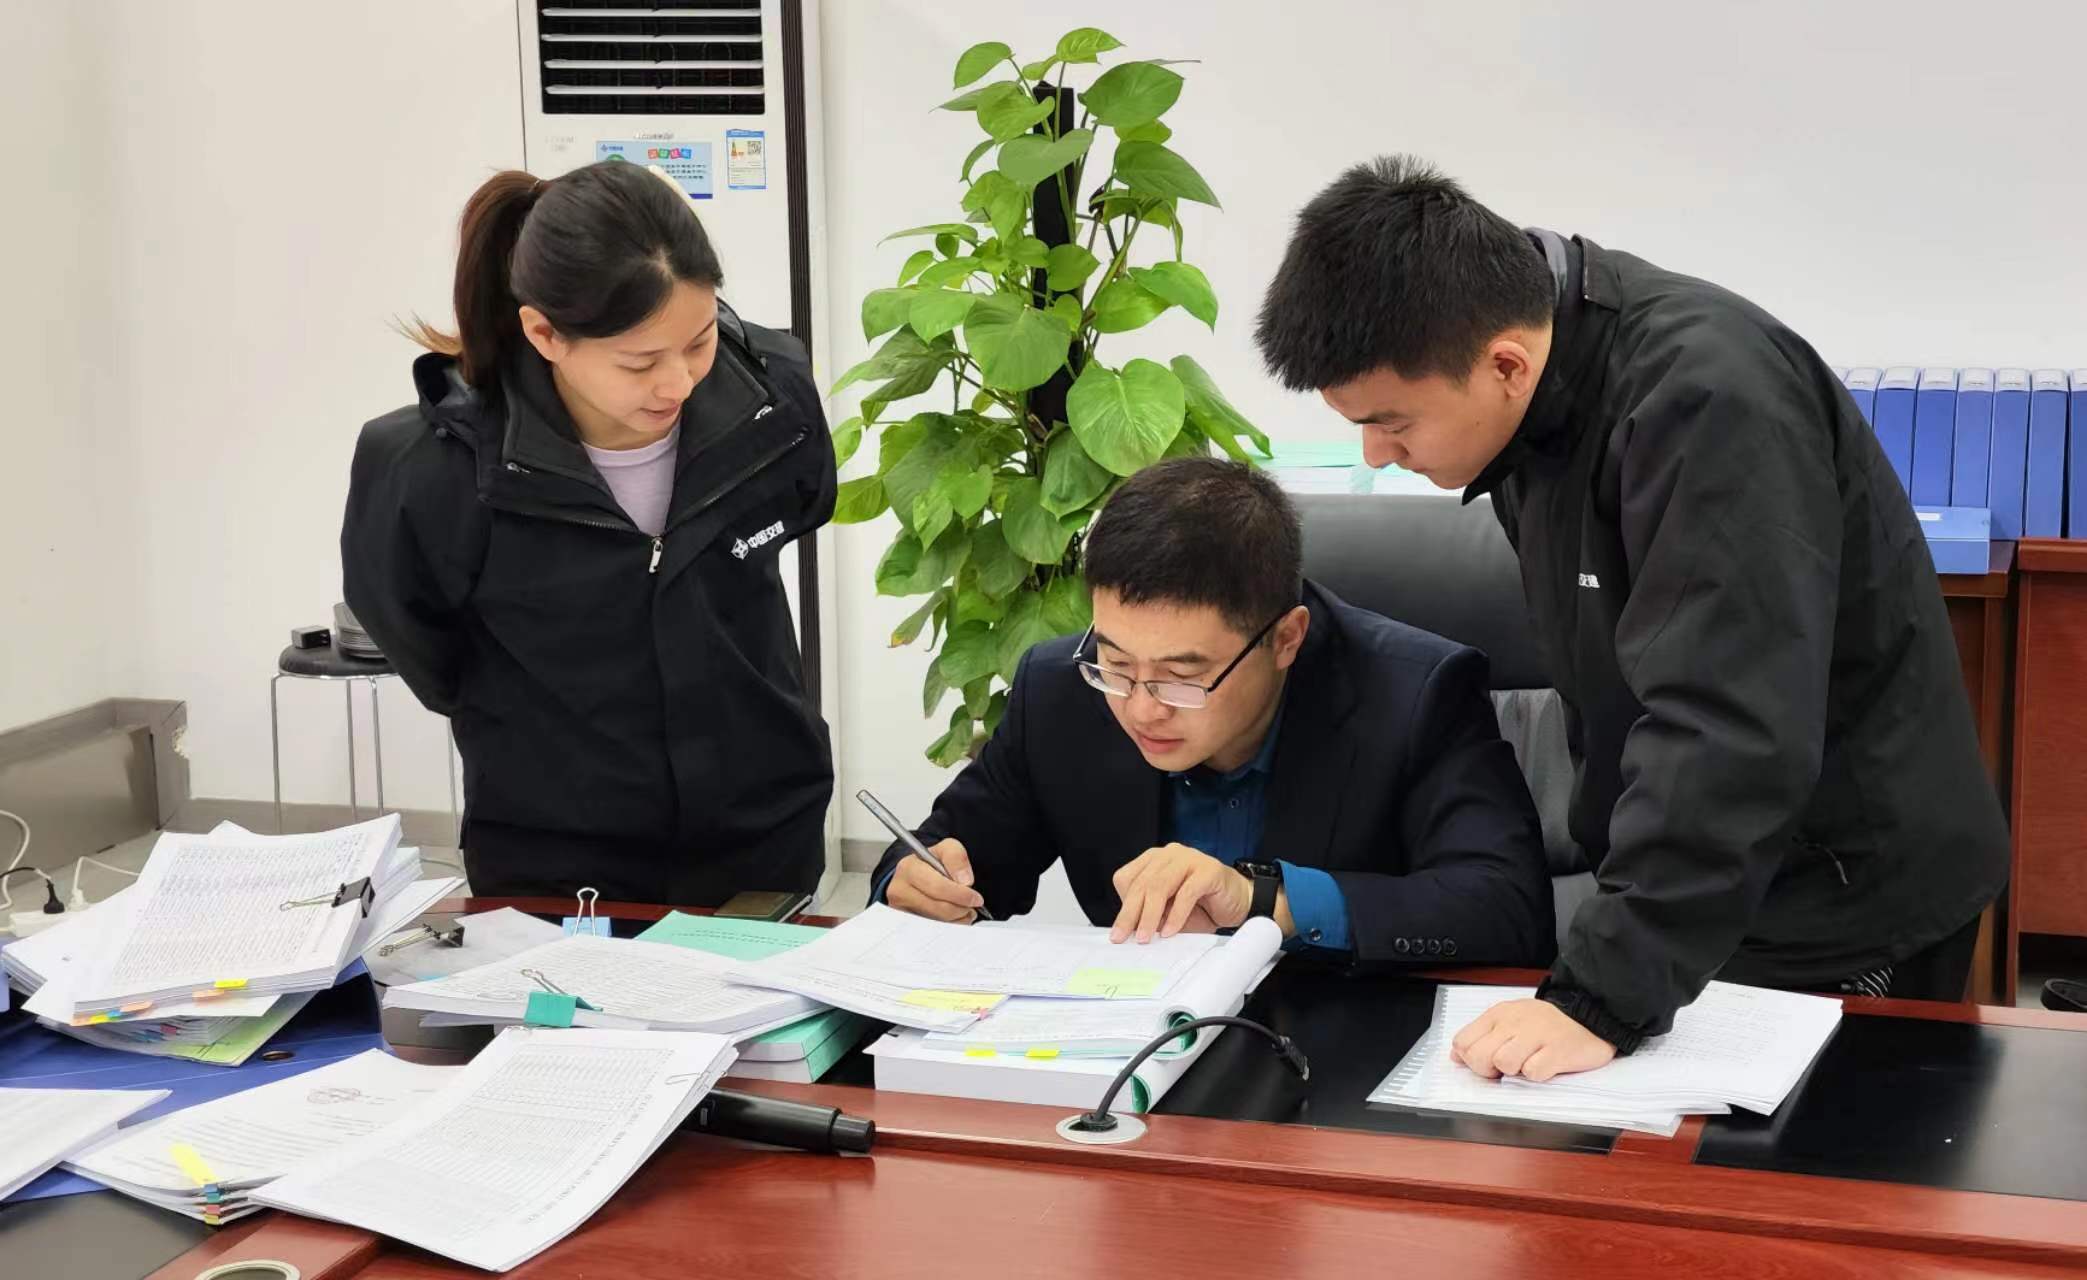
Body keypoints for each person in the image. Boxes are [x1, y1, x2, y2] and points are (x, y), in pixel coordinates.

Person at [1254, 156, 2009, 1079]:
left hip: (1838, 892)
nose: (1376, 454)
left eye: (1392, 422)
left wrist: (1599, 995)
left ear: (1504, 364)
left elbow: (1725, 721)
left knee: (1812, 1161)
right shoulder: (1532, 393)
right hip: (1705, 887)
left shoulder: (1707, 403)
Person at [341, 161, 835, 903]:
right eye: (640, 362)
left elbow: (803, 504)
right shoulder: (432, 467)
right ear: (543, 333)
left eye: (699, 342)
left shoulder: (773, 397)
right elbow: (428, 652)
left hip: (762, 835)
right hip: (553, 862)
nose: (678, 382)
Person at [873, 457, 1554, 969]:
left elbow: (1508, 907)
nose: (1141, 707)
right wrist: (912, 882)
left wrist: (1267, 902)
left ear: (1285, 638)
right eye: (1115, 661)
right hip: (1132, 1049)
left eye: (1181, 677)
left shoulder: (1416, 693)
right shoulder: (1061, 690)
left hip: (1347, 1046)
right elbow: (949, 855)